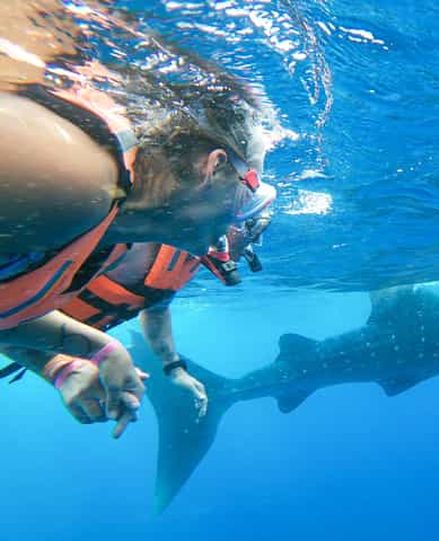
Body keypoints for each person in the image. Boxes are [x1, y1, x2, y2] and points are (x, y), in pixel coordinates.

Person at [0, 0, 277, 436]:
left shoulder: (104, 236)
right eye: (250, 193)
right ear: (213, 166)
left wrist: (98, 351)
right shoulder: (76, 181)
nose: (239, 222)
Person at [2, 214, 271, 428]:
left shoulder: (184, 256)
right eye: (251, 230)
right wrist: (60, 368)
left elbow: (156, 309)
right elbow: (7, 309)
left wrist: (174, 368)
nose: (253, 242)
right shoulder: (135, 243)